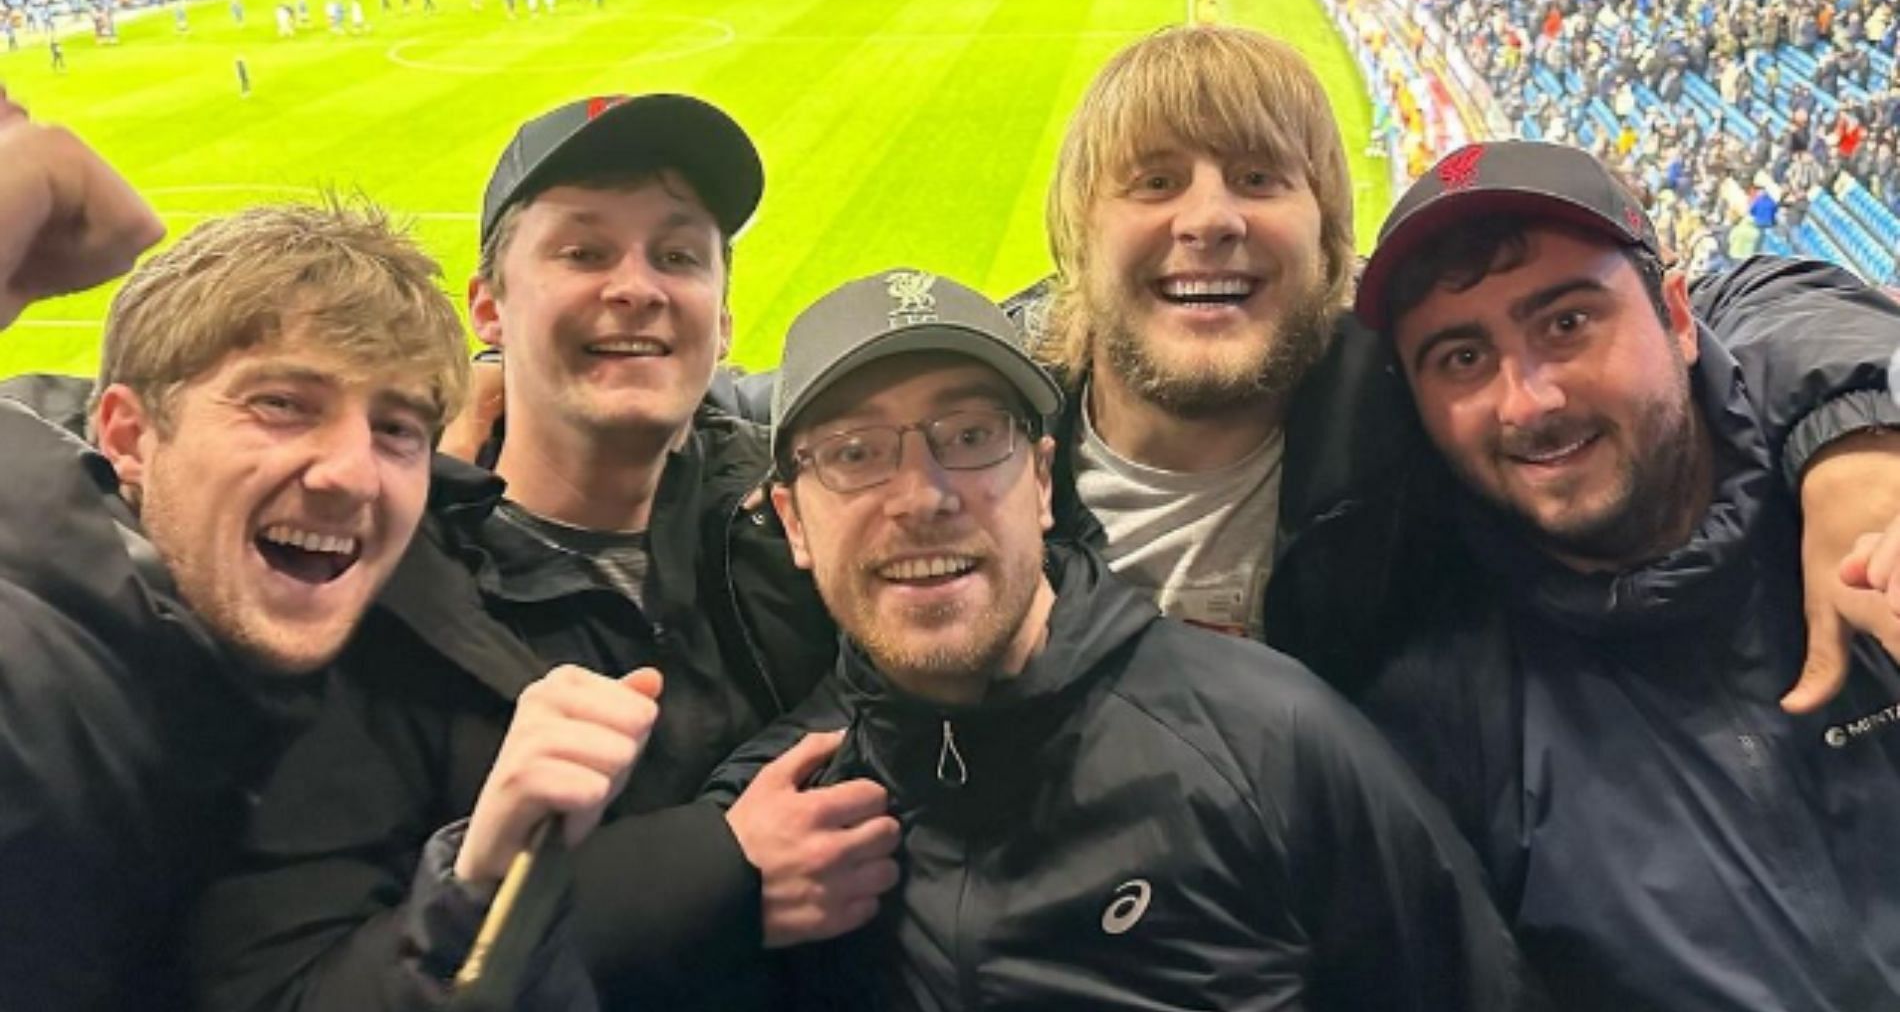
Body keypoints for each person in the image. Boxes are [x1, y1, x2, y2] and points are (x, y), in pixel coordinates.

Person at [703, 269, 1545, 1011]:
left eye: (969, 437)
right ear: (793, 521)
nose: (923, 497)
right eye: (855, 453)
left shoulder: (1271, 742)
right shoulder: (772, 815)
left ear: (1039, 480)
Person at [193, 95, 868, 1012]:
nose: (637, 287)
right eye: (583, 253)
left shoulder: (807, 517)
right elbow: (279, 990)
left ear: (723, 322)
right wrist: (663, 873)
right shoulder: (358, 592)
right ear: (488, 309)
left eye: (677, 256)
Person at [1017, 23, 1900, 709]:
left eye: (1257, 179)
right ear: (1074, 238)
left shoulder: (1419, 399)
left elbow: (1732, 307)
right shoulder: (973, 423)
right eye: (1154, 182)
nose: (1209, 219)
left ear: (1330, 247)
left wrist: (1854, 437)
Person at [0, 100, 589, 1009]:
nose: (352, 473)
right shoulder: (45, 657)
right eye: (281, 404)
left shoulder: (278, 633)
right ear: (128, 433)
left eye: (396, 428)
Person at [1346, 139, 1900, 1010]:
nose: (1529, 400)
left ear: (1679, 320)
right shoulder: (1436, 727)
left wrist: (1862, 434)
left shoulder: (1868, 514)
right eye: (1461, 359)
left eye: (1567, 323)